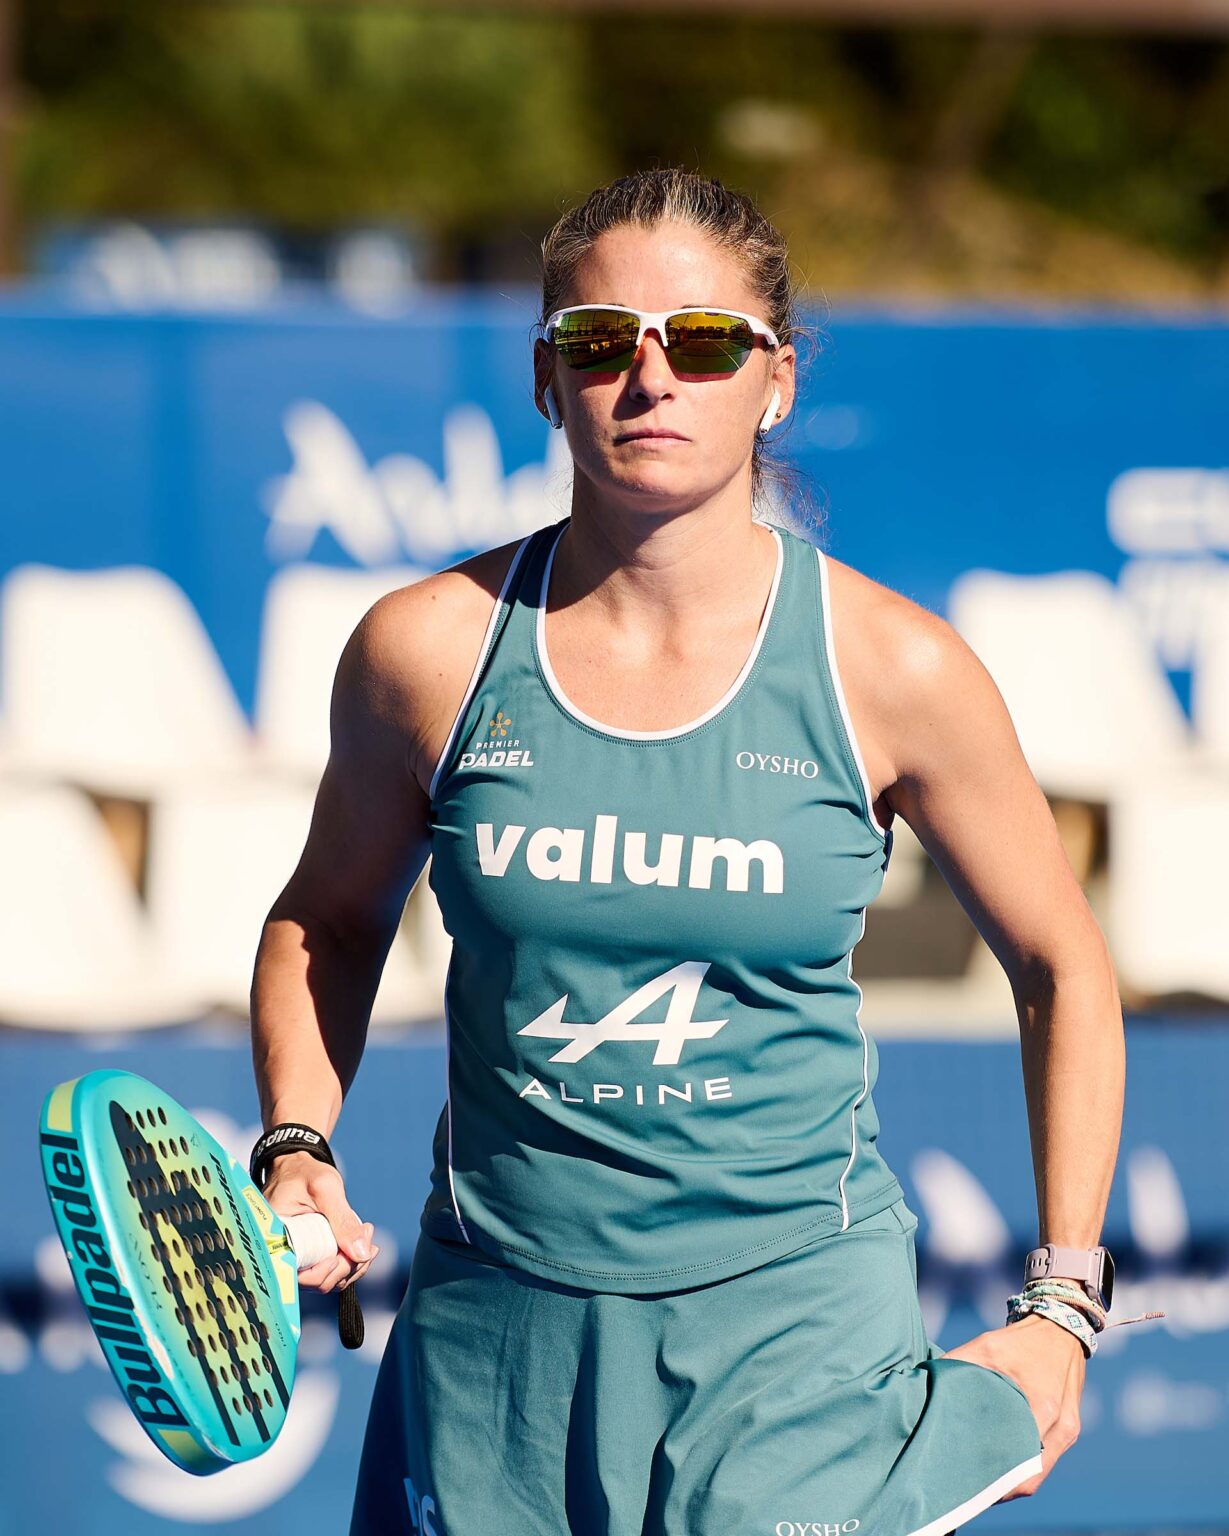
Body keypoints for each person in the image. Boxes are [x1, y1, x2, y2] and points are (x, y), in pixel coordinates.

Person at [249, 168, 1125, 1536]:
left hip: (791, 1345)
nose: (650, 377)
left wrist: (1065, 1301)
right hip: (492, 1344)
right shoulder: (423, 650)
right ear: (546, 378)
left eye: (706, 340)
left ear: (775, 380)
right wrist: (297, 1139)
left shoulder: (894, 669)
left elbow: (1061, 964)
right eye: (601, 339)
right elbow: (329, 921)